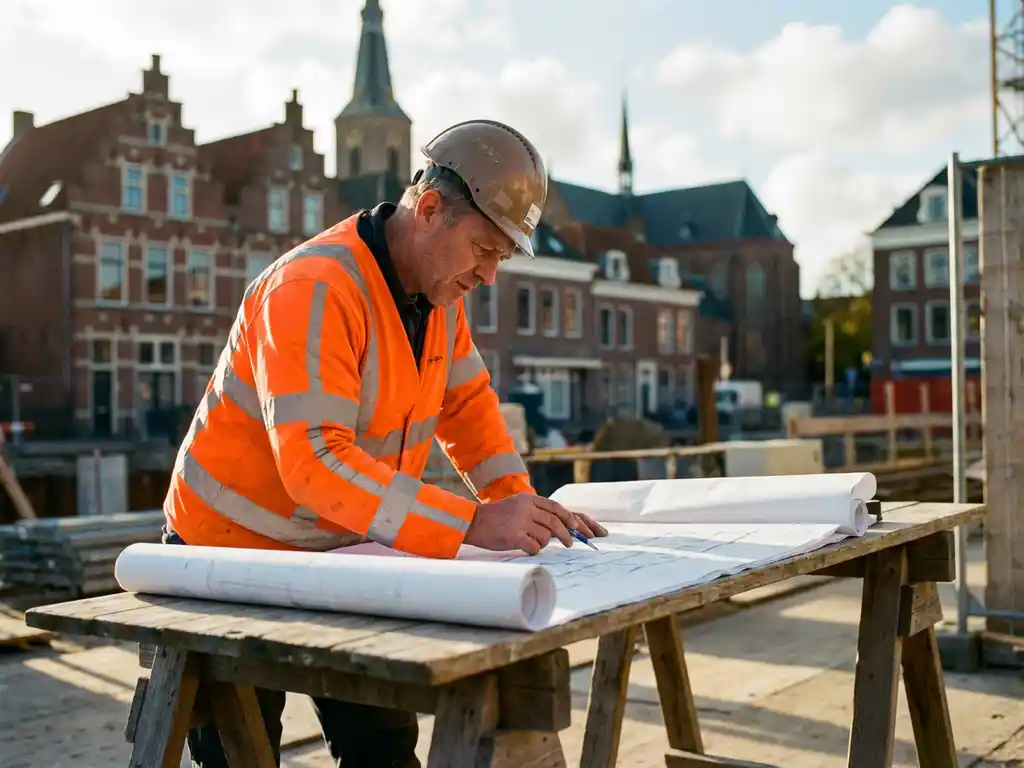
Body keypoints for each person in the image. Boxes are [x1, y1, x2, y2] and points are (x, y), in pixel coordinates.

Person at [161, 118, 608, 767]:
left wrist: (521, 508)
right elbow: (314, 464)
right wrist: (474, 523)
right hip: (227, 556)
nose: (488, 275)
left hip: (342, 548)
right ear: (428, 211)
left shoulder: (439, 298)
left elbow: (468, 408)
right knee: (240, 754)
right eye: (483, 249)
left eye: (502, 258)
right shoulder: (312, 289)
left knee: (384, 750)